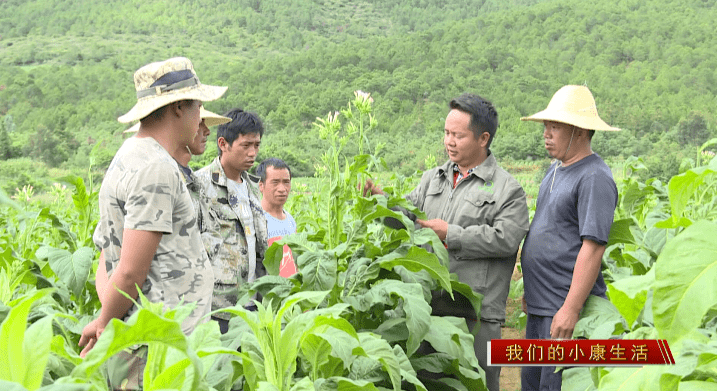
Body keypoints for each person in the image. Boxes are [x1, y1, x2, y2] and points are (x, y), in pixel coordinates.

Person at [365, 93, 530, 391]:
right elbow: (409, 216)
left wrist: (451, 234)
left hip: (474, 316)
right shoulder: (433, 179)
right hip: (429, 309)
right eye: (446, 133)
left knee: (475, 384)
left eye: (458, 135)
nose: (449, 141)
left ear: (483, 138)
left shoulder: (508, 189)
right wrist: (382, 203)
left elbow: (506, 239)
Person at [79, 57, 227, 389]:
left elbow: (107, 254)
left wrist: (109, 317)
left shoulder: (128, 157)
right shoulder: (156, 168)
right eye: (198, 105)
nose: (200, 117)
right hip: (156, 348)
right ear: (178, 107)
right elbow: (130, 271)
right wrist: (104, 323)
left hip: (145, 338)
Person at [519, 85, 620, 391]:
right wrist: (532, 290)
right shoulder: (555, 170)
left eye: (556, 127)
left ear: (579, 130)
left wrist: (571, 309)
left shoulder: (594, 177)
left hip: (563, 313)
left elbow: (593, 248)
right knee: (533, 384)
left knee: (556, 386)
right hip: (541, 307)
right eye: (546, 126)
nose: (547, 134)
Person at [93, 108, 233, 301]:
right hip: (160, 309)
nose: (206, 130)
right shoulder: (154, 175)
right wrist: (108, 315)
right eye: (200, 122)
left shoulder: (196, 181)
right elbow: (112, 253)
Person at [193, 108, 269, 333]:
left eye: (256, 145)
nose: (252, 153)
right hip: (218, 310)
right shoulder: (200, 185)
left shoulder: (254, 188)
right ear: (223, 143)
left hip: (253, 306)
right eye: (245, 145)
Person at [256, 158, 297, 277]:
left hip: (291, 291)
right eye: (275, 182)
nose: (282, 189)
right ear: (261, 185)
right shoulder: (255, 220)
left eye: (286, 182)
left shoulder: (290, 220)